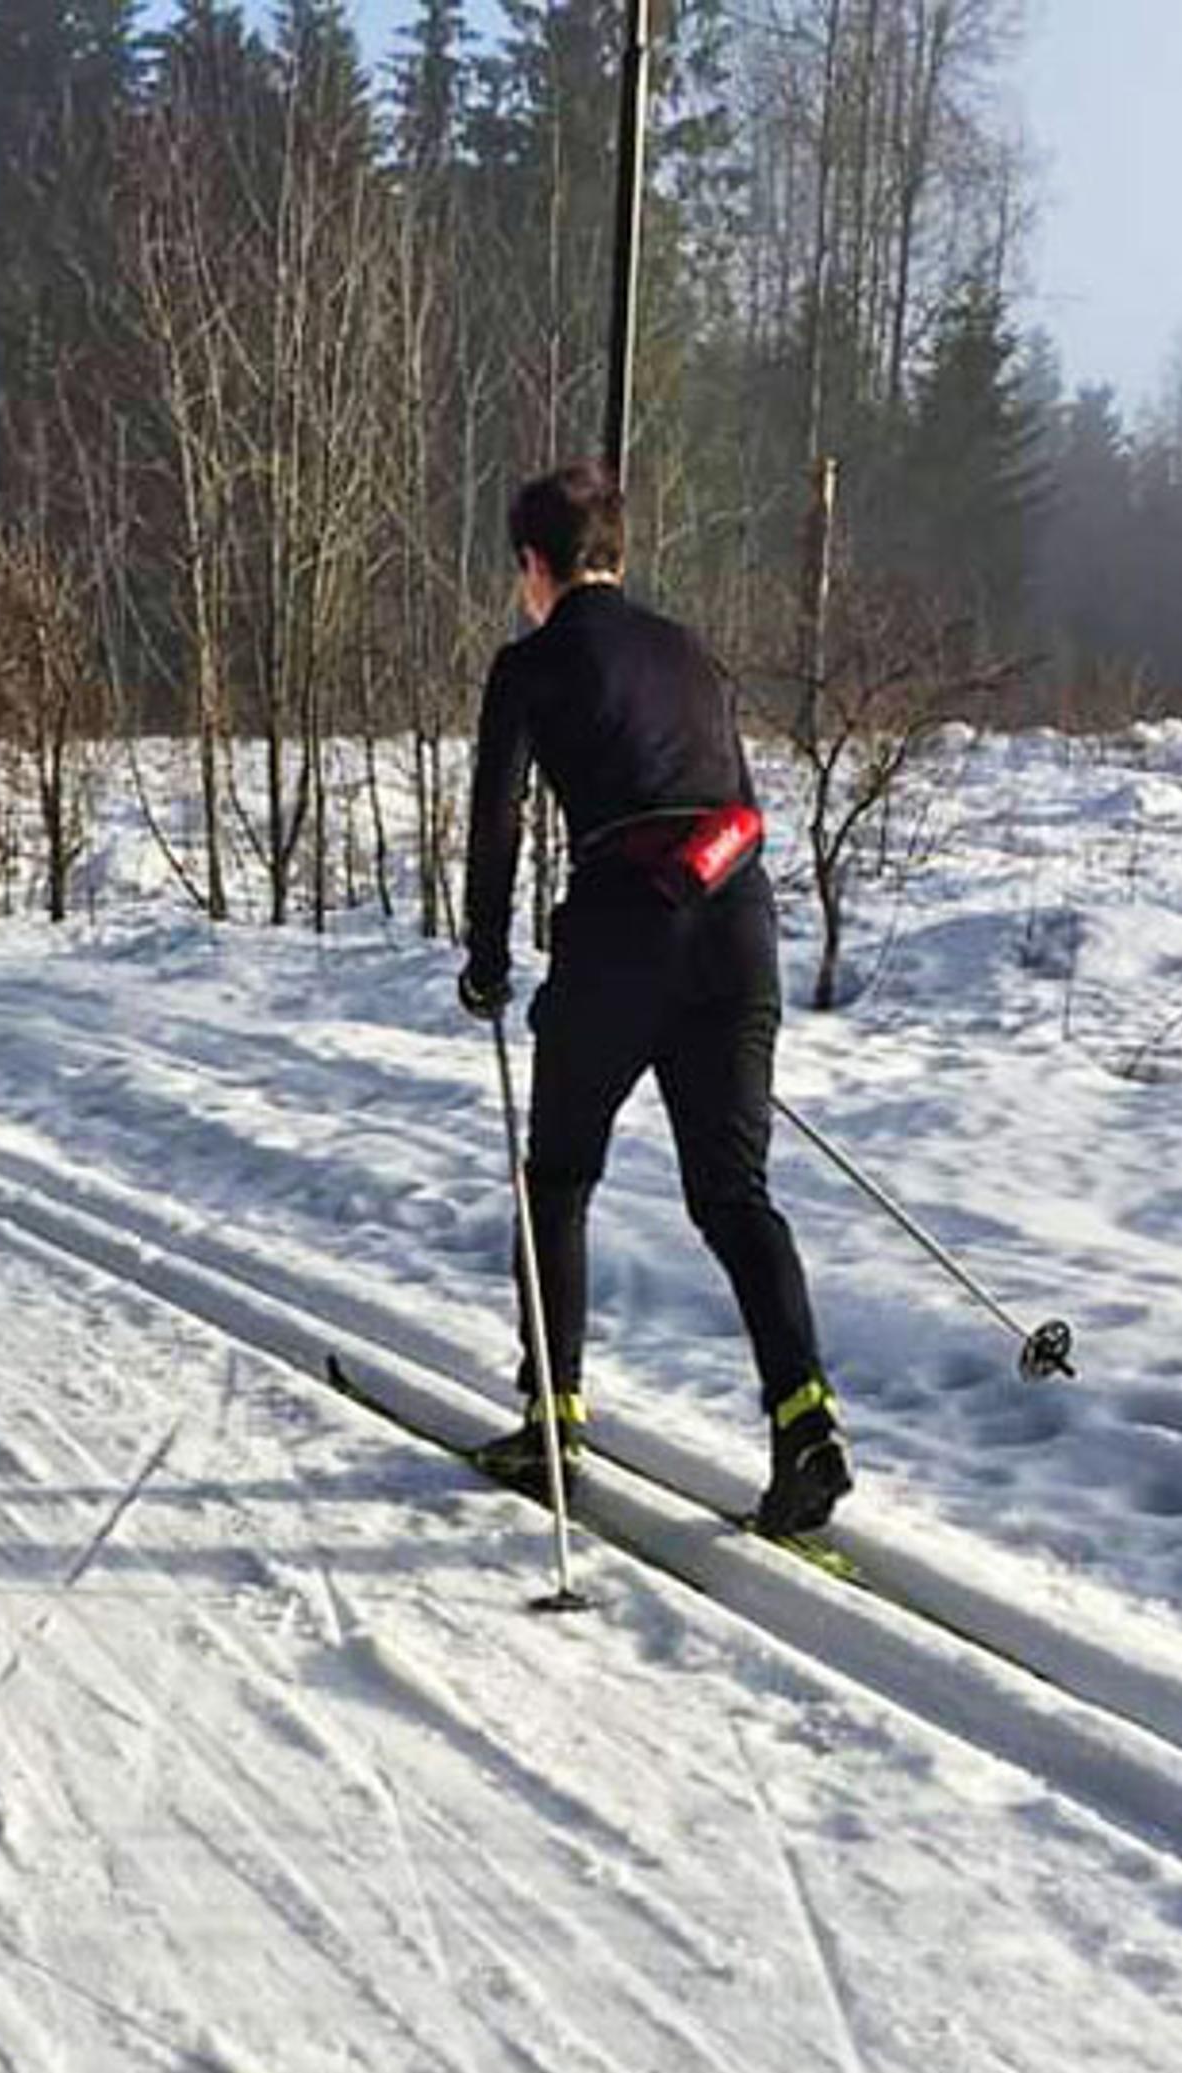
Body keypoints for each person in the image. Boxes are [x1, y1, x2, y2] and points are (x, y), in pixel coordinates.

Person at [456, 462, 849, 1539]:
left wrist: (486, 954)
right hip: (739, 926)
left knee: (560, 1177)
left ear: (536, 566)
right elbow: (739, 800)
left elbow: (496, 823)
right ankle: (804, 1418)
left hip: (622, 934)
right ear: (617, 554)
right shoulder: (692, 653)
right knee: (733, 1193)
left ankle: (553, 1421)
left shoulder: (530, 664)